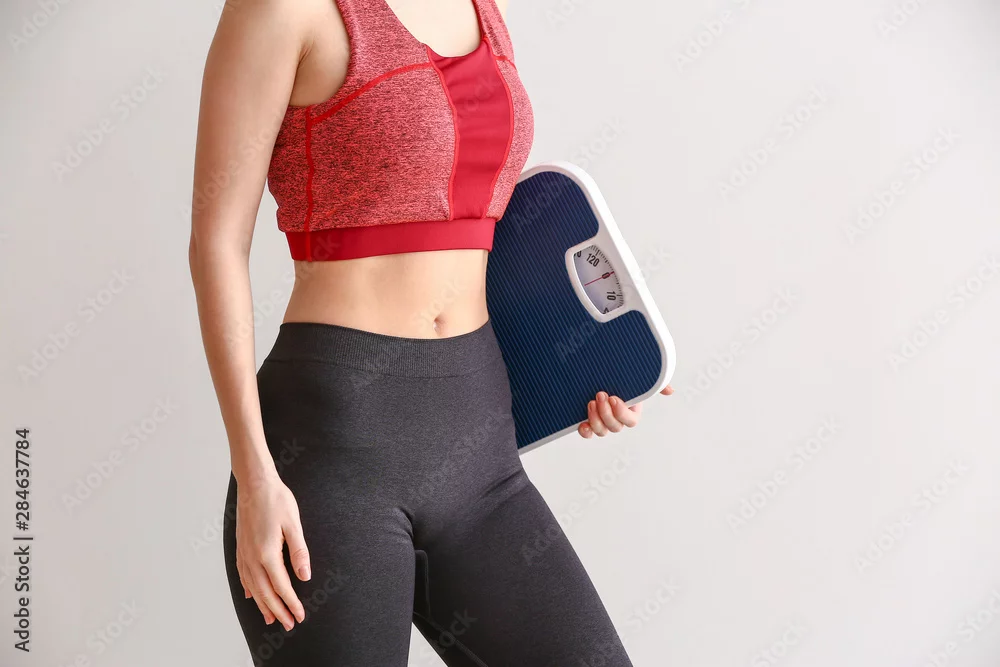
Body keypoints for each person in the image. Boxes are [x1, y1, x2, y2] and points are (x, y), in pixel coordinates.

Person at [187, 0, 673, 664]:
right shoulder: (284, 9)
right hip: (331, 454)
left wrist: (585, 363)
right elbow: (216, 243)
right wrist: (255, 474)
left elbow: (478, 229)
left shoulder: (484, 9)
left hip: (480, 446)